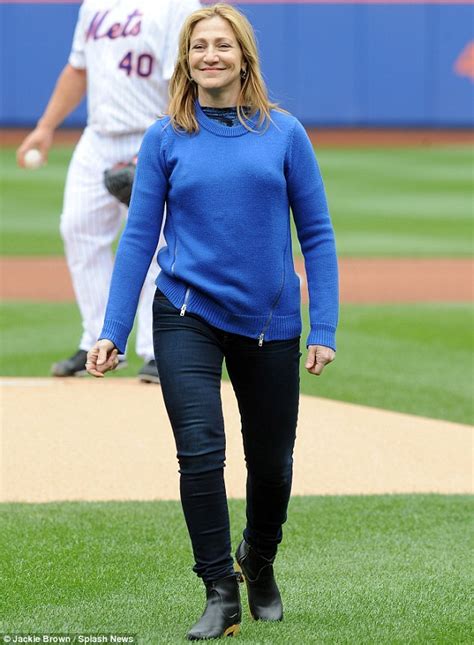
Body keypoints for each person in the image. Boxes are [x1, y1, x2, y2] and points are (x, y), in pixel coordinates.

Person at [87, 3, 339, 639]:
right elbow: (139, 238)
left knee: (272, 463)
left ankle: (259, 560)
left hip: (271, 321)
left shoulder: (285, 134)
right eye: (200, 47)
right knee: (200, 452)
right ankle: (219, 590)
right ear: (186, 59)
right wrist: (113, 329)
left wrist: (325, 328)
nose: (211, 56)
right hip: (185, 313)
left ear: (243, 56)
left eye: (223, 45)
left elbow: (317, 234)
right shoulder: (165, 137)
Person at [17, 0, 201, 383]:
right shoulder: (94, 4)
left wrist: (160, 142)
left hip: (156, 132)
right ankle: (99, 339)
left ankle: (155, 350)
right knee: (78, 228)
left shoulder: (176, 5)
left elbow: (183, 80)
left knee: (156, 245)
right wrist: (46, 126)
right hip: (97, 137)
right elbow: (77, 69)